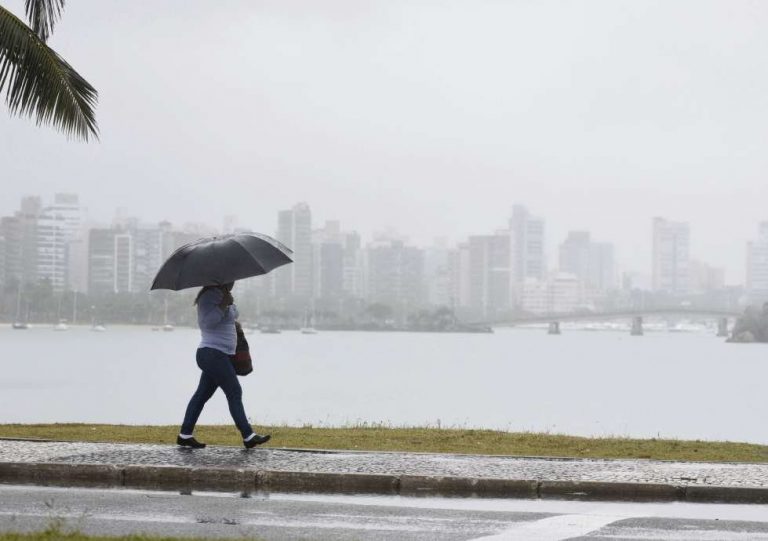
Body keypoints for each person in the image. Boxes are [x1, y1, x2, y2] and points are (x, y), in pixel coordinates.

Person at [177, 282, 270, 449]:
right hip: (212, 353)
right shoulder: (208, 296)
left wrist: (229, 302)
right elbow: (208, 323)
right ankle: (248, 436)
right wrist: (223, 304)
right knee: (234, 391)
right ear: (222, 278)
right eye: (231, 279)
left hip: (219, 355)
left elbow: (235, 314)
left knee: (201, 395)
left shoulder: (222, 294)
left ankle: (185, 435)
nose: (233, 282)